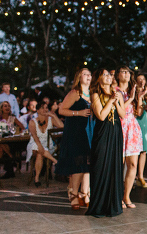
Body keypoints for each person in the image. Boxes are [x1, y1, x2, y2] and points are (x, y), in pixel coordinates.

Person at [86, 68, 124, 218]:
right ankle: (99, 206)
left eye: (109, 74)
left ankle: (113, 204)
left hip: (116, 132)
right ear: (99, 79)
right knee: (100, 166)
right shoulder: (96, 94)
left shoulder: (117, 92)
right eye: (105, 74)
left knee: (114, 167)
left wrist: (119, 99)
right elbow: (101, 116)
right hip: (102, 134)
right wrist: (112, 100)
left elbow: (122, 114)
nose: (109, 76)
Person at [56, 68, 93, 209]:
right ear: (79, 77)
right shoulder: (75, 93)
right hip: (76, 132)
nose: (88, 76)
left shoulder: (93, 93)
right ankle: (73, 193)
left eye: (90, 74)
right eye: (85, 74)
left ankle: (85, 193)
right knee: (78, 163)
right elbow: (61, 110)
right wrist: (79, 112)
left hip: (89, 131)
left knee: (88, 163)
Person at [115, 67, 146, 208]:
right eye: (123, 72)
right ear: (117, 75)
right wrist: (132, 98)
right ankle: (116, 196)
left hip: (132, 129)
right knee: (118, 166)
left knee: (132, 164)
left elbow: (138, 113)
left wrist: (139, 98)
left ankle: (126, 196)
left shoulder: (132, 91)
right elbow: (119, 110)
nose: (126, 74)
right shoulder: (114, 90)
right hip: (119, 128)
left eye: (128, 72)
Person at [27, 102, 63, 186]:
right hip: (35, 144)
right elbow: (34, 136)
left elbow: (62, 126)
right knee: (38, 148)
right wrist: (39, 145)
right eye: (42, 108)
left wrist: (54, 115)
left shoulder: (51, 119)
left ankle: (36, 178)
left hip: (48, 145)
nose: (45, 110)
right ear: (38, 110)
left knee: (40, 153)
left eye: (46, 108)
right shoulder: (32, 122)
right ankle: (55, 161)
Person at [134, 75, 147, 188]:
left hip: (145, 121)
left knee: (144, 150)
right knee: (136, 150)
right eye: (139, 79)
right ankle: (133, 175)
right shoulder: (133, 93)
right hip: (136, 121)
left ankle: (140, 176)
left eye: (143, 79)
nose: (142, 81)